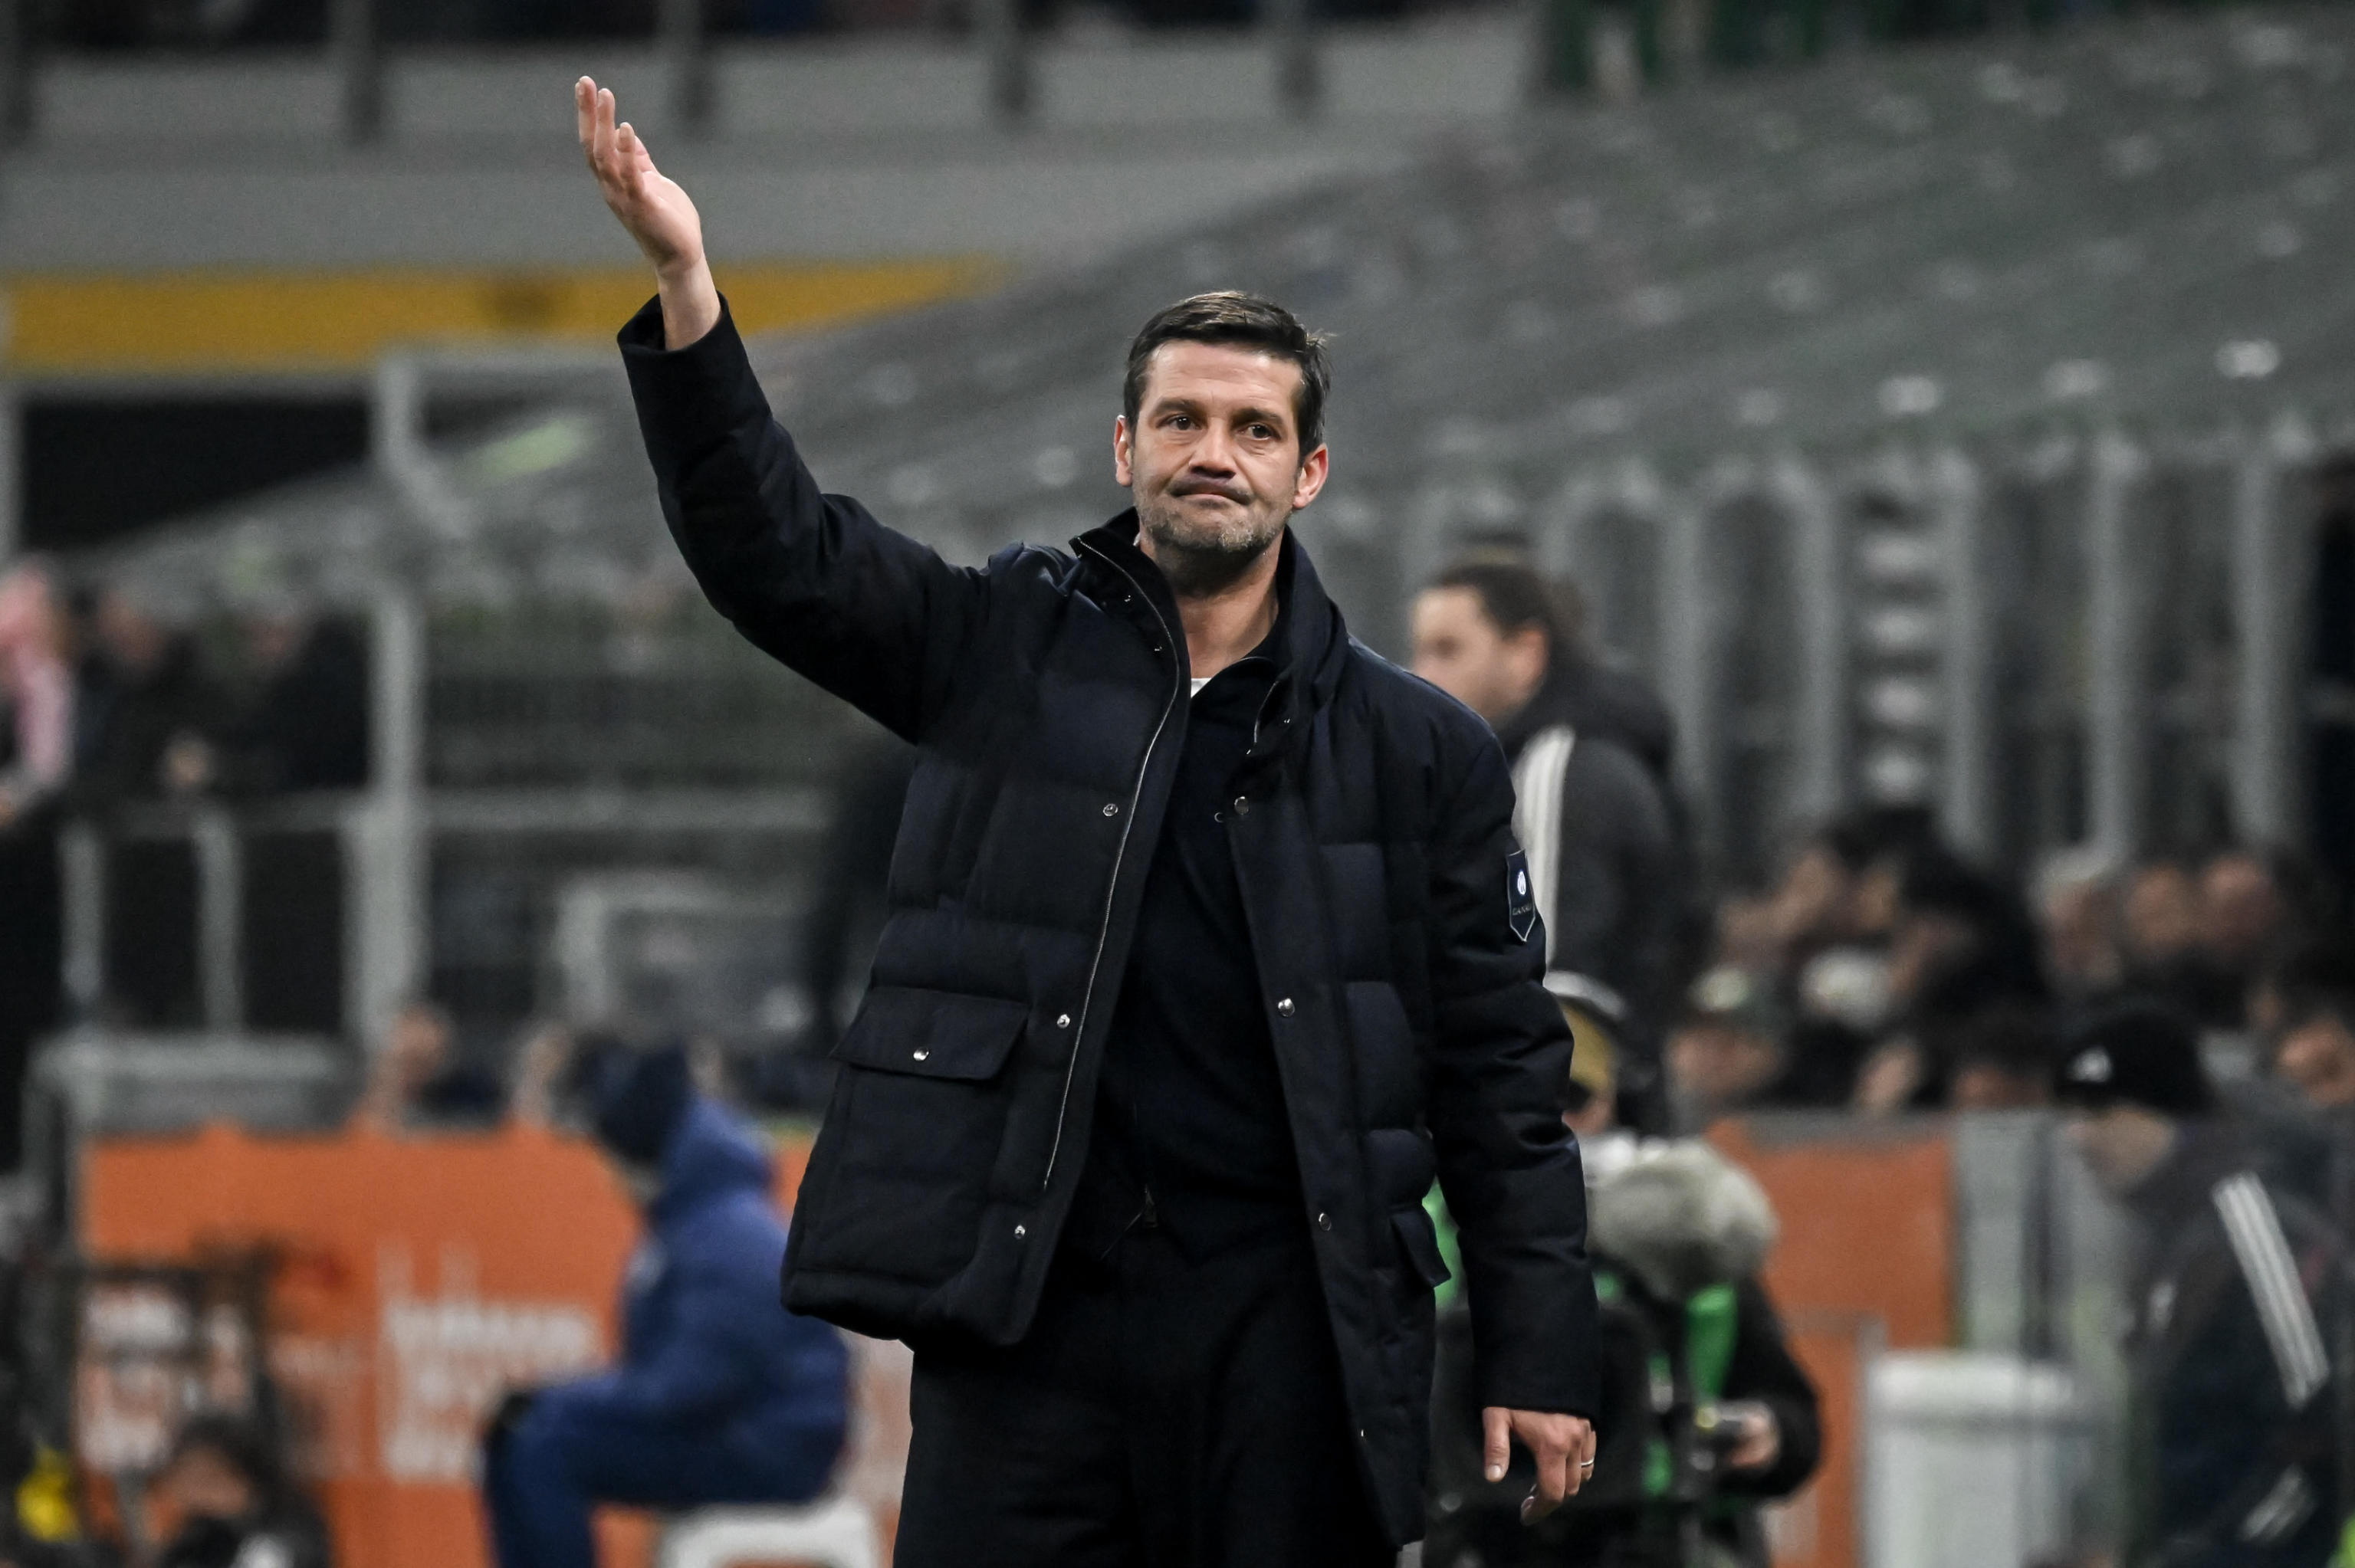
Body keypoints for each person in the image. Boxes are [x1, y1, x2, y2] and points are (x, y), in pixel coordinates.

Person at [576, 77, 1598, 1563]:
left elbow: (1502, 1069)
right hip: (1029, 1308)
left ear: (1308, 473)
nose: (1213, 451)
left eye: (1253, 429)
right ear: (1123, 449)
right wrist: (687, 291)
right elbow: (780, 557)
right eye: (1180, 419)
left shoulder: (1416, 748)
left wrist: (1539, 1345)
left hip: (1292, 1329)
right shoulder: (1000, 645)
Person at [1427, 1038, 1821, 1568]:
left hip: (1655, 1540)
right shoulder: (1417, 1228)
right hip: (1467, 1538)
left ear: (1622, 1102)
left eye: (1572, 1096)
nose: (1547, 1120)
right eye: (1517, 1100)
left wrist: (1763, 1432)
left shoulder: (1694, 1238)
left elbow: (1794, 1422)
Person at [481, 1048, 849, 1568]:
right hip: (742, 1428)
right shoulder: (699, 1217)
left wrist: (558, 1400)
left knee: (543, 1446)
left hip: (772, 1446)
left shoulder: (727, 1235)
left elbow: (690, 1385)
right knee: (520, 1433)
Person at [2053, 1004, 2346, 1567]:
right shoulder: (2165, 1233)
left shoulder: (2249, 1221)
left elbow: (2317, 1431)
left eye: (2100, 1111)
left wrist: (2222, 1554)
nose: (2078, 1137)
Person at [1411, 556, 1687, 1133]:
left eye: (1448, 650)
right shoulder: (1534, 766)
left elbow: (1553, 962)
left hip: (1562, 1130)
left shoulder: (1553, 772)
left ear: (1525, 654)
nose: (1421, 674)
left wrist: (1549, 1103)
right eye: (1420, 652)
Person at [146, 1413, 330, 1568]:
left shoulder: (286, 1531)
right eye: (186, 1480)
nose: (195, 1492)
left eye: (208, 1478)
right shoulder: (202, 1533)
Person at [349, 1001, 505, 1132]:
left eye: (425, 1062)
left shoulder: (468, 1103)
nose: (415, 1073)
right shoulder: (351, 1104)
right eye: (409, 1060)